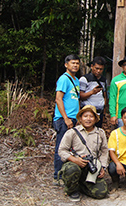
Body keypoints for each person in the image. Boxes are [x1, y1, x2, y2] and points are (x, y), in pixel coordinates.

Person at [58, 105, 108, 202]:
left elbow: (104, 151)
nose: (88, 119)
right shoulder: (72, 132)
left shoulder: (100, 133)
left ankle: (81, 185)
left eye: (91, 116)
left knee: (101, 193)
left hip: (91, 167)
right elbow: (62, 150)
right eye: (85, 116)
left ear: (95, 119)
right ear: (80, 118)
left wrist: (102, 167)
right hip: (75, 164)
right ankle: (72, 190)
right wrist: (75, 160)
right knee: (71, 169)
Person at [53, 54, 81, 184]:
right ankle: (57, 176)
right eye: (72, 63)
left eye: (77, 63)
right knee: (61, 147)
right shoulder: (64, 79)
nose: (75, 65)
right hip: (65, 119)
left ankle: (66, 174)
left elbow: (76, 99)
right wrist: (65, 118)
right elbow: (59, 99)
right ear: (66, 64)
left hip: (73, 118)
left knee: (70, 148)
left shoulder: (75, 80)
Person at [79, 56, 108, 128]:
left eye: (101, 69)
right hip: (88, 112)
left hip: (99, 112)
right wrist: (92, 92)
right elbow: (80, 96)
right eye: (96, 68)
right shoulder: (84, 79)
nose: (98, 71)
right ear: (92, 66)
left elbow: (104, 96)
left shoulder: (104, 80)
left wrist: (104, 113)